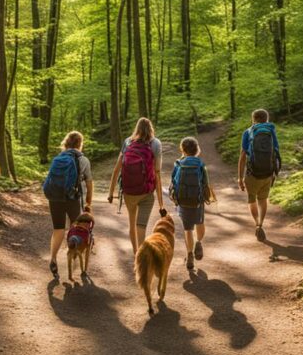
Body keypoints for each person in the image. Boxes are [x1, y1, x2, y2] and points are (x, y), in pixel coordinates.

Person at [107, 117, 164, 254]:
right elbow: (157, 172)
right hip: (146, 192)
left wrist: (110, 193)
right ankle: (142, 256)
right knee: (141, 225)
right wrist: (161, 204)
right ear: (150, 128)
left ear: (136, 128)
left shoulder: (127, 142)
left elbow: (116, 170)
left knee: (132, 224)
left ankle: (135, 254)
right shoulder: (155, 143)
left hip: (129, 192)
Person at [42, 131, 93, 280]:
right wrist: (88, 204)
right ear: (80, 144)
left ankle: (53, 258)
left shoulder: (58, 158)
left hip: (55, 198)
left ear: (66, 143)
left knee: (58, 229)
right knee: (74, 227)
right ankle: (73, 252)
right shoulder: (83, 160)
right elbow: (89, 185)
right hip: (72, 199)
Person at [170, 136, 215, 271]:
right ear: (197, 149)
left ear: (182, 149)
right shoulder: (200, 164)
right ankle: (199, 242)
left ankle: (189, 254)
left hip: (183, 202)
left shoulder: (178, 164)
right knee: (200, 223)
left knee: (187, 229)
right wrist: (207, 198)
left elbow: (172, 184)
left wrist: (175, 199)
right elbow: (206, 184)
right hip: (197, 201)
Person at [237, 109, 281, 241]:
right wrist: (274, 172)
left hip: (252, 173)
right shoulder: (271, 131)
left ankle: (256, 223)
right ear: (266, 119)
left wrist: (240, 177)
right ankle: (261, 223)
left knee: (252, 200)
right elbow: (276, 152)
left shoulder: (248, 132)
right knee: (263, 200)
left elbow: (242, 156)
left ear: (253, 119)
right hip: (268, 173)